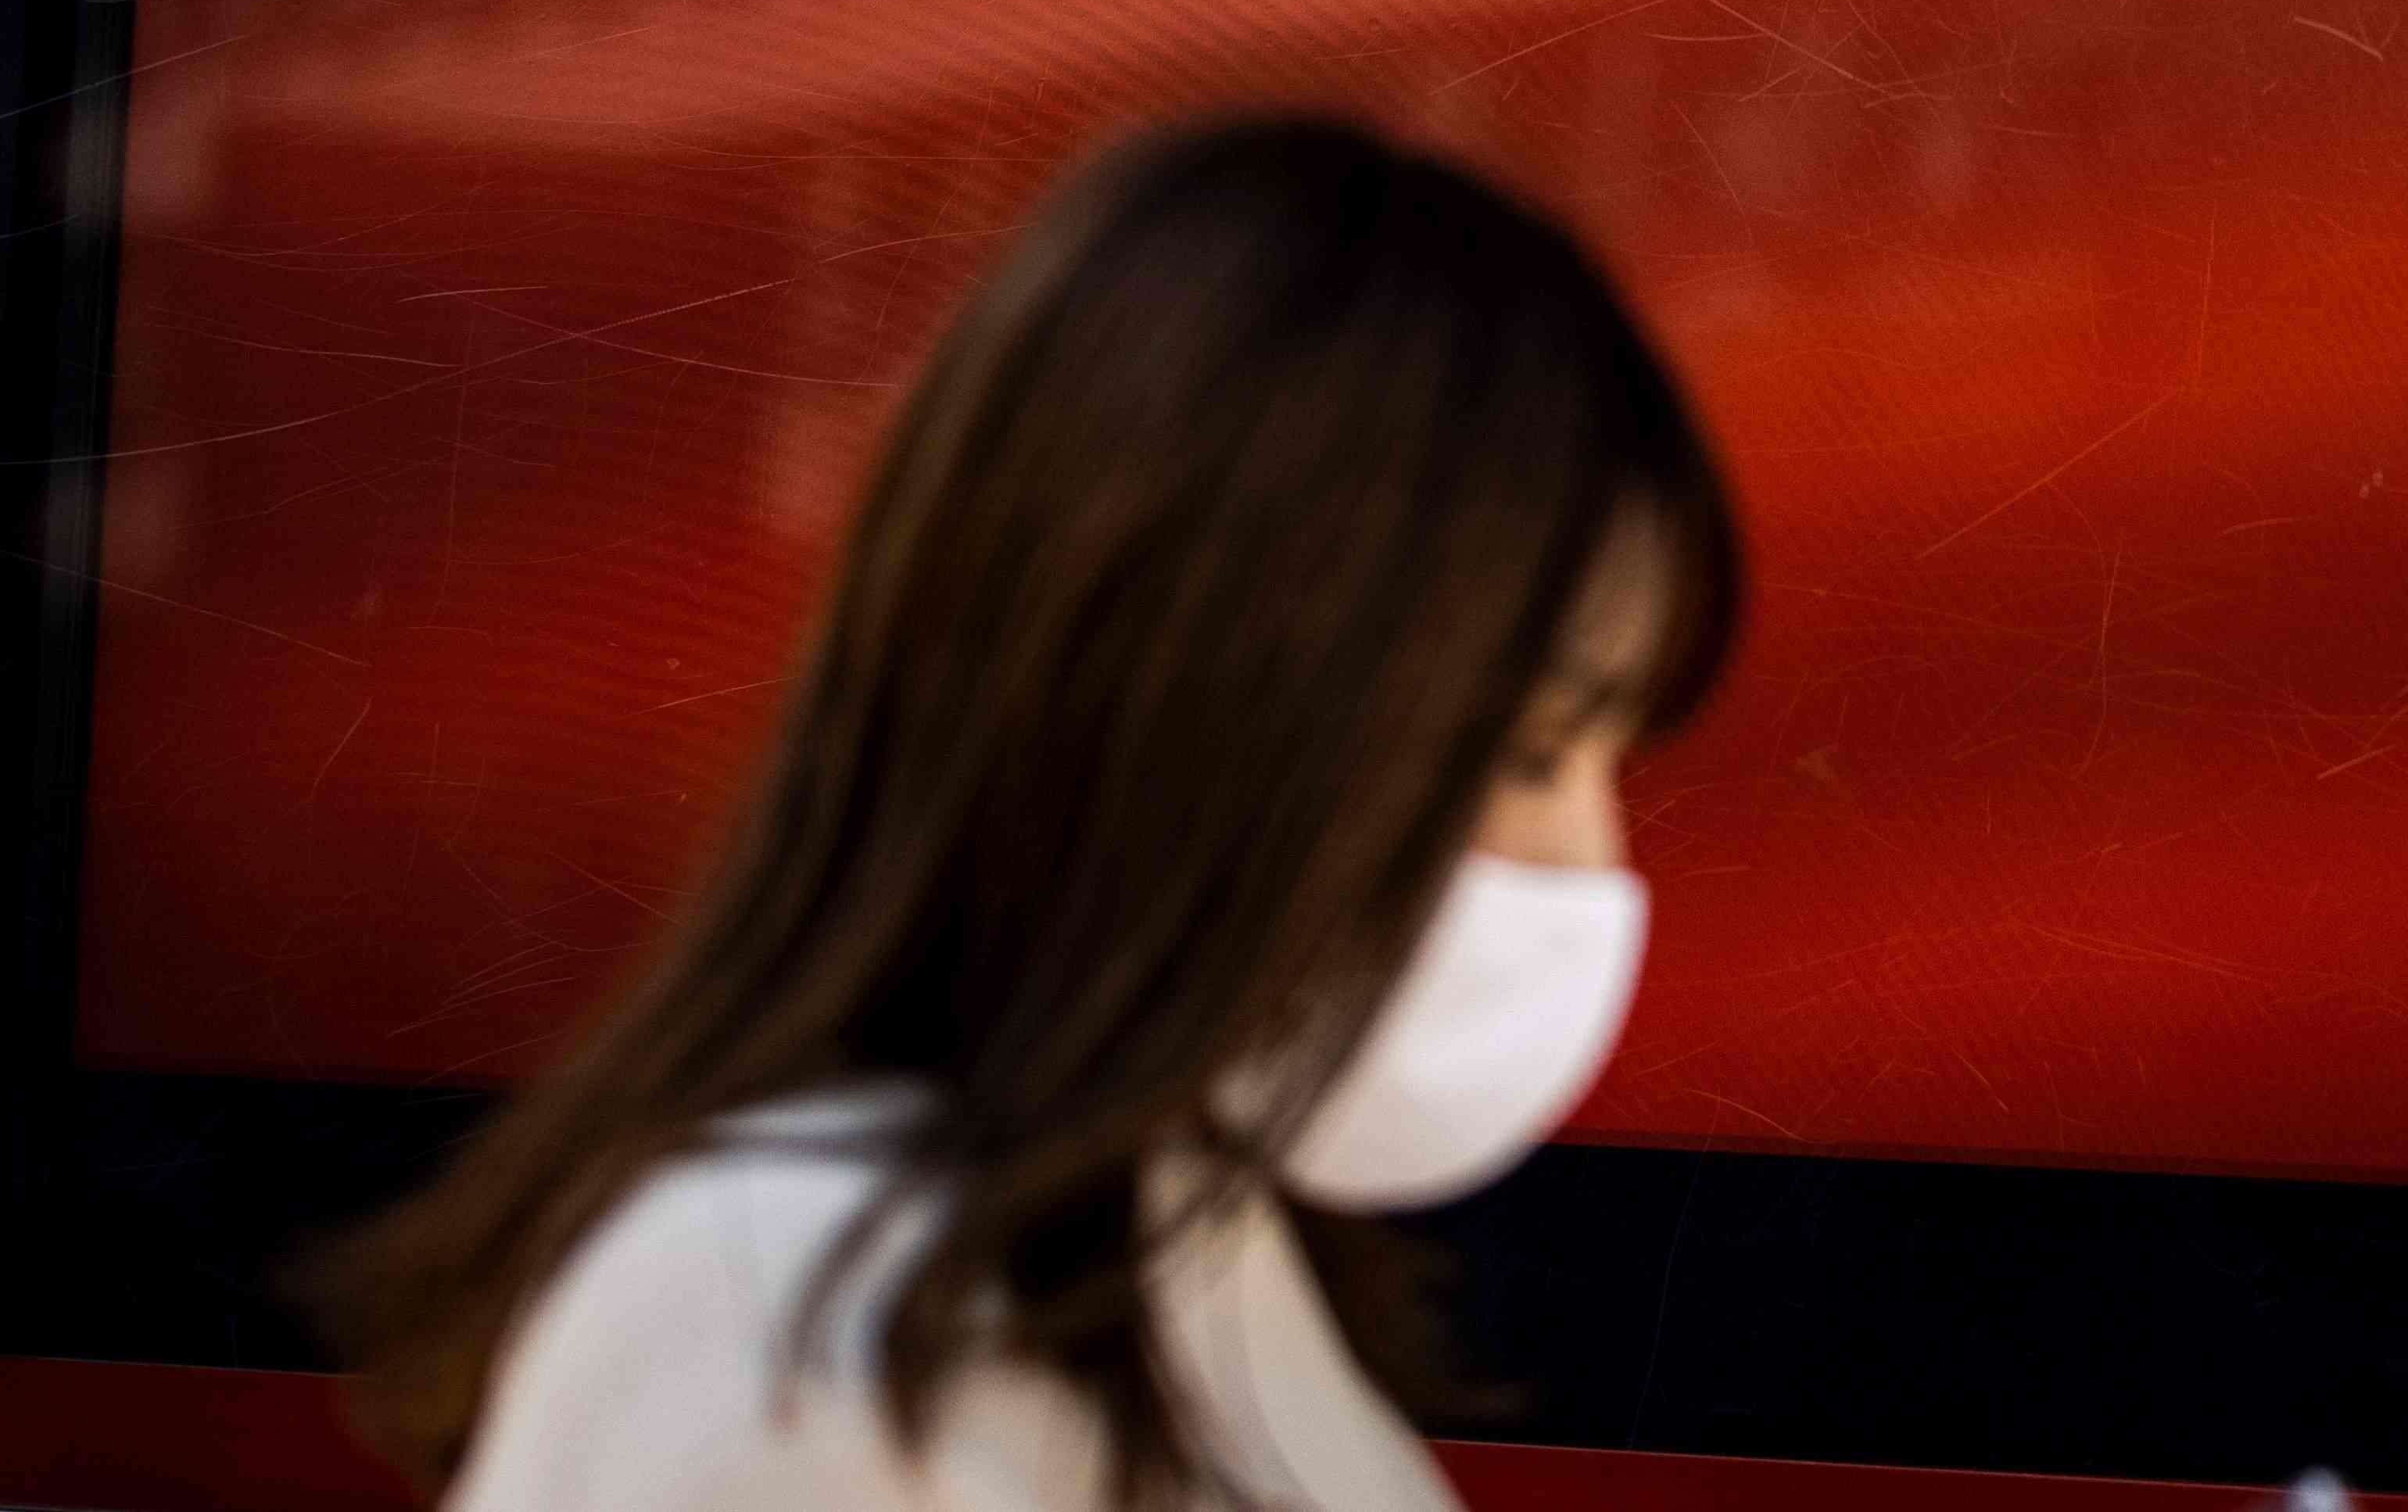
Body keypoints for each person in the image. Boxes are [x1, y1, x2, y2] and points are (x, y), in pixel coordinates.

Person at [329, 115, 1744, 1510]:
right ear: (1215, 690)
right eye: (1532, 753)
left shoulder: (1178, 1243)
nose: (1590, 862)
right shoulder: (790, 1317)